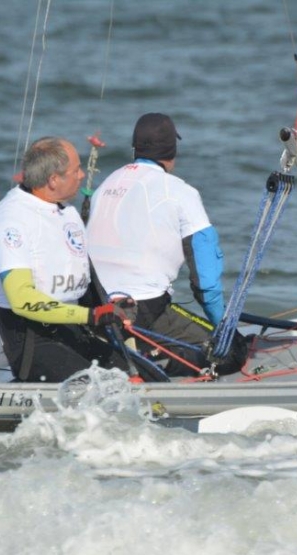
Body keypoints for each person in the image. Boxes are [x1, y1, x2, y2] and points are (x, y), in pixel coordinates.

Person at [86, 113, 247, 377]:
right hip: (142, 311)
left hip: (96, 309)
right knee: (231, 354)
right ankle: (153, 363)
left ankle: (134, 353)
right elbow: (206, 284)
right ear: (172, 152)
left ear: (134, 148)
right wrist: (226, 332)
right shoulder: (181, 192)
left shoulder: (106, 185)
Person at [0, 136, 134, 382]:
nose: (82, 175)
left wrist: (108, 308)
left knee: (143, 377)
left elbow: (83, 278)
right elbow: (22, 299)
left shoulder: (67, 212)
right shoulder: (12, 219)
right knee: (107, 388)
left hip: (72, 329)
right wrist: (89, 316)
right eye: (76, 170)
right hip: (31, 338)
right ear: (53, 180)